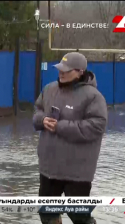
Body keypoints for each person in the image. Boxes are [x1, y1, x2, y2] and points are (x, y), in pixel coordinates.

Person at [33, 52, 108, 224]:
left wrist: (61, 127)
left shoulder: (94, 97)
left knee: (79, 216)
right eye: (60, 69)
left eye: (66, 70)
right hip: (49, 168)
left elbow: (96, 126)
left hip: (77, 172)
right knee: (47, 212)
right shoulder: (49, 89)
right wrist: (42, 120)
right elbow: (36, 111)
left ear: (80, 72)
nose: (61, 73)